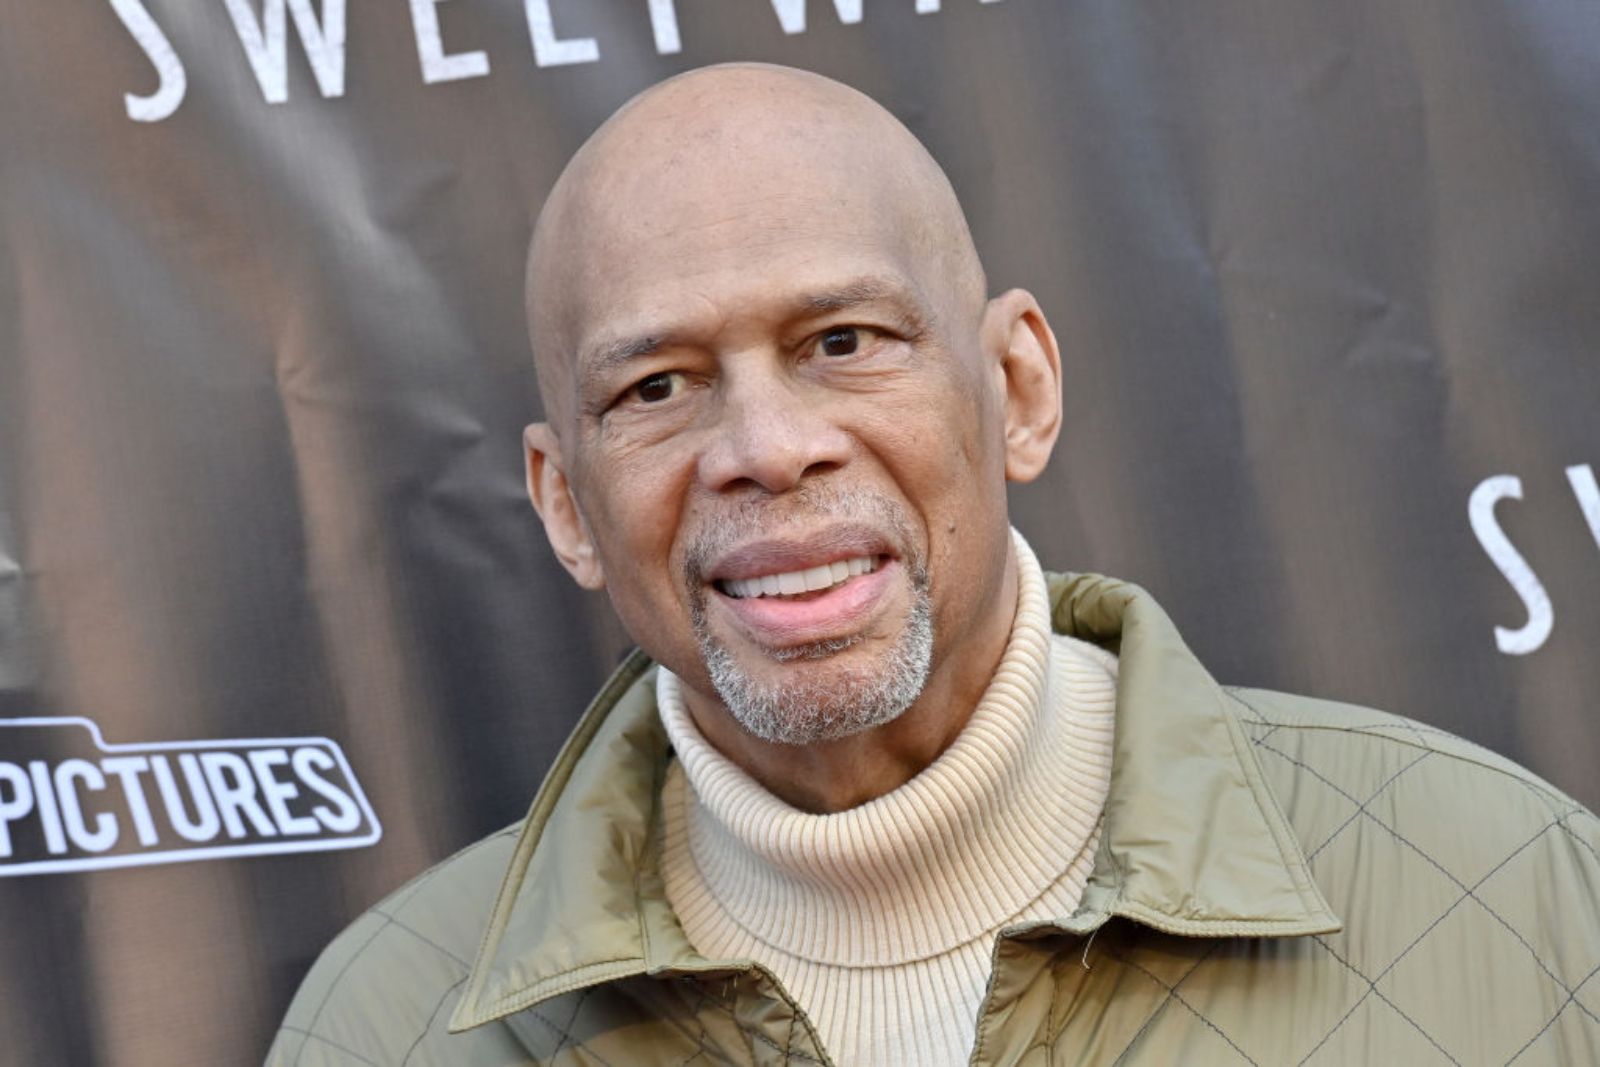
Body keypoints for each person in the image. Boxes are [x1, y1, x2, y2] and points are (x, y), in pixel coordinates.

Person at [268, 64, 1600, 1066]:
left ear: (1015, 388)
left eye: (844, 341)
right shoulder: (384, 1030)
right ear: (568, 505)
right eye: (660, 386)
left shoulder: (1512, 895)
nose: (769, 448)